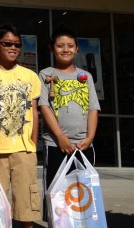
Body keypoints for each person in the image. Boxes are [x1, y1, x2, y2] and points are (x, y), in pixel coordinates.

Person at [0, 24, 41, 228]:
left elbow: (34, 112)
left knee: (25, 205)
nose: (13, 48)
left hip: (24, 149)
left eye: (17, 44)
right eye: (7, 44)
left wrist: (32, 143)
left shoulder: (31, 76)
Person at [38, 24, 100, 221]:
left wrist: (90, 137)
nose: (65, 49)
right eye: (60, 45)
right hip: (56, 145)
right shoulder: (45, 74)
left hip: (83, 145)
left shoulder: (86, 76)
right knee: (56, 196)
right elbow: (44, 107)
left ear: (77, 48)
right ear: (51, 48)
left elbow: (92, 108)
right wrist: (60, 137)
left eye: (70, 45)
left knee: (84, 195)